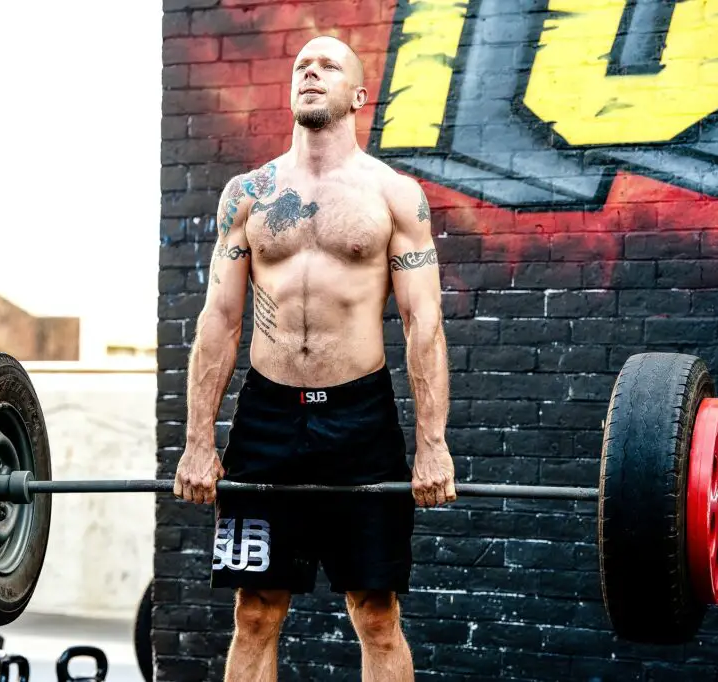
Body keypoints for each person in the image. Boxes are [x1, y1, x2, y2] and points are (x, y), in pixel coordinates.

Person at [173, 34, 455, 682]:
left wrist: (431, 444)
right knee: (255, 611)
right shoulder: (247, 194)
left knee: (377, 612)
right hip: (268, 419)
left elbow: (423, 321)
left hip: (361, 420)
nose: (310, 72)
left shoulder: (394, 196)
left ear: (359, 95)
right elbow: (220, 318)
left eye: (328, 65)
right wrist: (198, 441)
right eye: (302, 65)